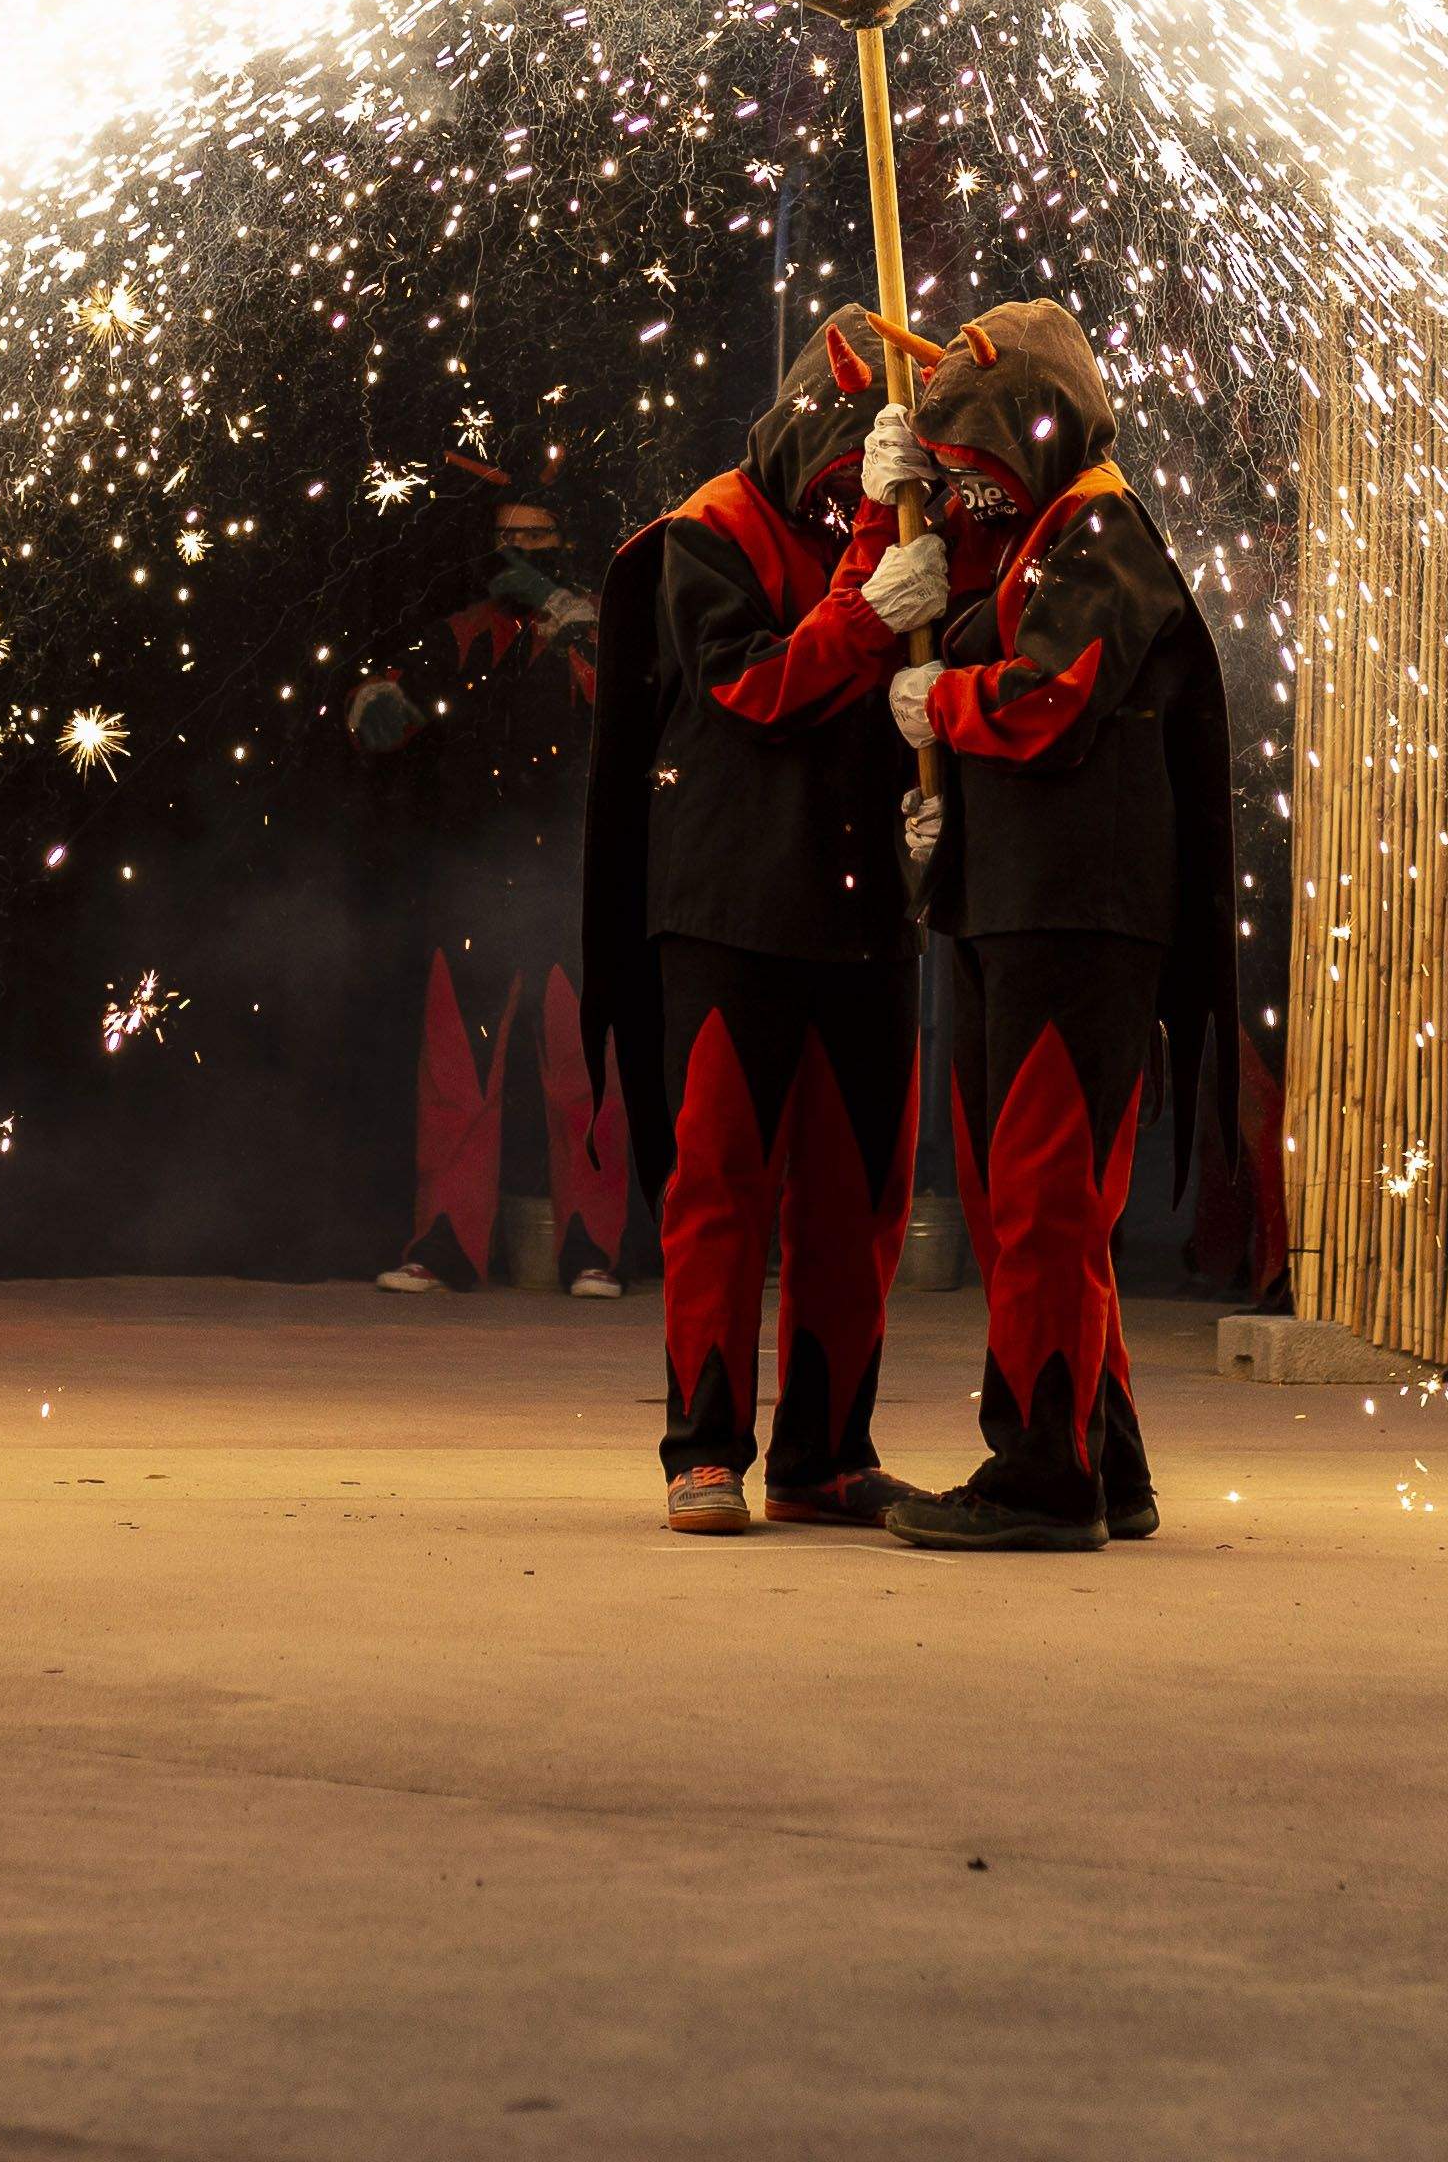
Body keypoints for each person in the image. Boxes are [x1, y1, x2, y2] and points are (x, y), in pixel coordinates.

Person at [865, 301, 1239, 1559]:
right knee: (1023, 1195)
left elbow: (1049, 699)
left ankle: (1038, 1476)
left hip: (1078, 915)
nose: (963, 485)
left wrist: (943, 698)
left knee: (1041, 1195)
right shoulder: (1031, 538)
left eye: (975, 460)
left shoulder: (1102, 528)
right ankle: (1103, 1457)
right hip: (1008, 906)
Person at [581, 308, 925, 1532]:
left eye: (868, 487)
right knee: (720, 1184)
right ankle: (704, 1450)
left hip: (871, 911)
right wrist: (873, 588)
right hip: (731, 905)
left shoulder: (907, 527)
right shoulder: (707, 533)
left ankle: (827, 1455)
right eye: (843, 482)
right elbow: (758, 686)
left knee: (862, 1199)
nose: (852, 503)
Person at [347, 464, 624, 1296]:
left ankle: (592, 1249)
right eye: (508, 538)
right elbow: (387, 699)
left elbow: (628, 695)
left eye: (536, 538)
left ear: (564, 545)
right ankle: (445, 1244)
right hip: (471, 875)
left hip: (569, 877)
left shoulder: (589, 631)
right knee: (456, 1068)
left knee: (582, 1071)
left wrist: (565, 612)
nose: (520, 552)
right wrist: (374, 709)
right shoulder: (464, 631)